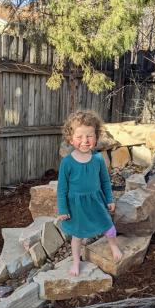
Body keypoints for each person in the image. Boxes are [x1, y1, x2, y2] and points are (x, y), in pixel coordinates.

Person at [57, 111, 123, 276]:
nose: (85, 141)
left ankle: (113, 246)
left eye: (90, 136)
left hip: (96, 202)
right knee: (77, 236)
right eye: (79, 137)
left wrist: (109, 199)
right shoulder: (67, 163)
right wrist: (63, 209)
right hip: (77, 206)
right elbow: (62, 189)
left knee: (108, 226)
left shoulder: (98, 159)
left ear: (96, 136)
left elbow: (105, 182)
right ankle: (76, 261)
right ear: (70, 139)